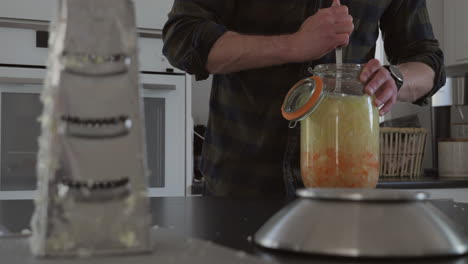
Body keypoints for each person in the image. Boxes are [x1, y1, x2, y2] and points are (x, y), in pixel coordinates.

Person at [162, 0, 445, 197]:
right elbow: (182, 37)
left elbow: (429, 62)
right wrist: (294, 45)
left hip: (346, 190)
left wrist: (394, 80)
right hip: (241, 185)